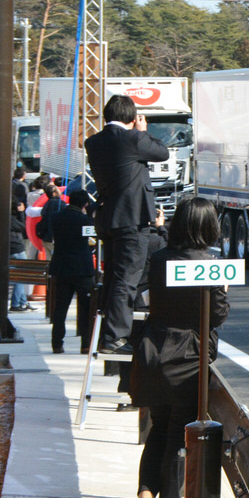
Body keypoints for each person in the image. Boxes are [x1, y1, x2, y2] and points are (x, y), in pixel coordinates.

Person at [129, 197, 227, 498]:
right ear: (208, 226)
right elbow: (217, 315)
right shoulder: (210, 264)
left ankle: (146, 490)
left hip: (153, 350)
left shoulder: (159, 259)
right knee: (178, 431)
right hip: (189, 354)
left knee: (159, 425)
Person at [85, 95, 169, 353]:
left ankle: (105, 332)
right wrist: (143, 132)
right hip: (132, 218)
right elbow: (162, 152)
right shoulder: (133, 138)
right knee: (127, 278)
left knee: (112, 276)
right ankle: (115, 337)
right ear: (132, 118)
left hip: (108, 217)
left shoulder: (93, 142)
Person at [40, 189, 97, 354]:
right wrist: (92, 213)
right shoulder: (84, 220)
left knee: (60, 307)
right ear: (85, 204)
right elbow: (92, 234)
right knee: (85, 307)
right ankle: (86, 344)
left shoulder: (56, 217)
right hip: (82, 267)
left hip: (62, 266)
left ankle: (57, 343)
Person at [8, 170, 31, 313]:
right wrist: (22, 213)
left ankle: (23, 301)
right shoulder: (10, 218)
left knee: (19, 275)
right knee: (22, 275)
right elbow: (22, 226)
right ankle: (16, 303)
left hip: (10, 247)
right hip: (16, 246)